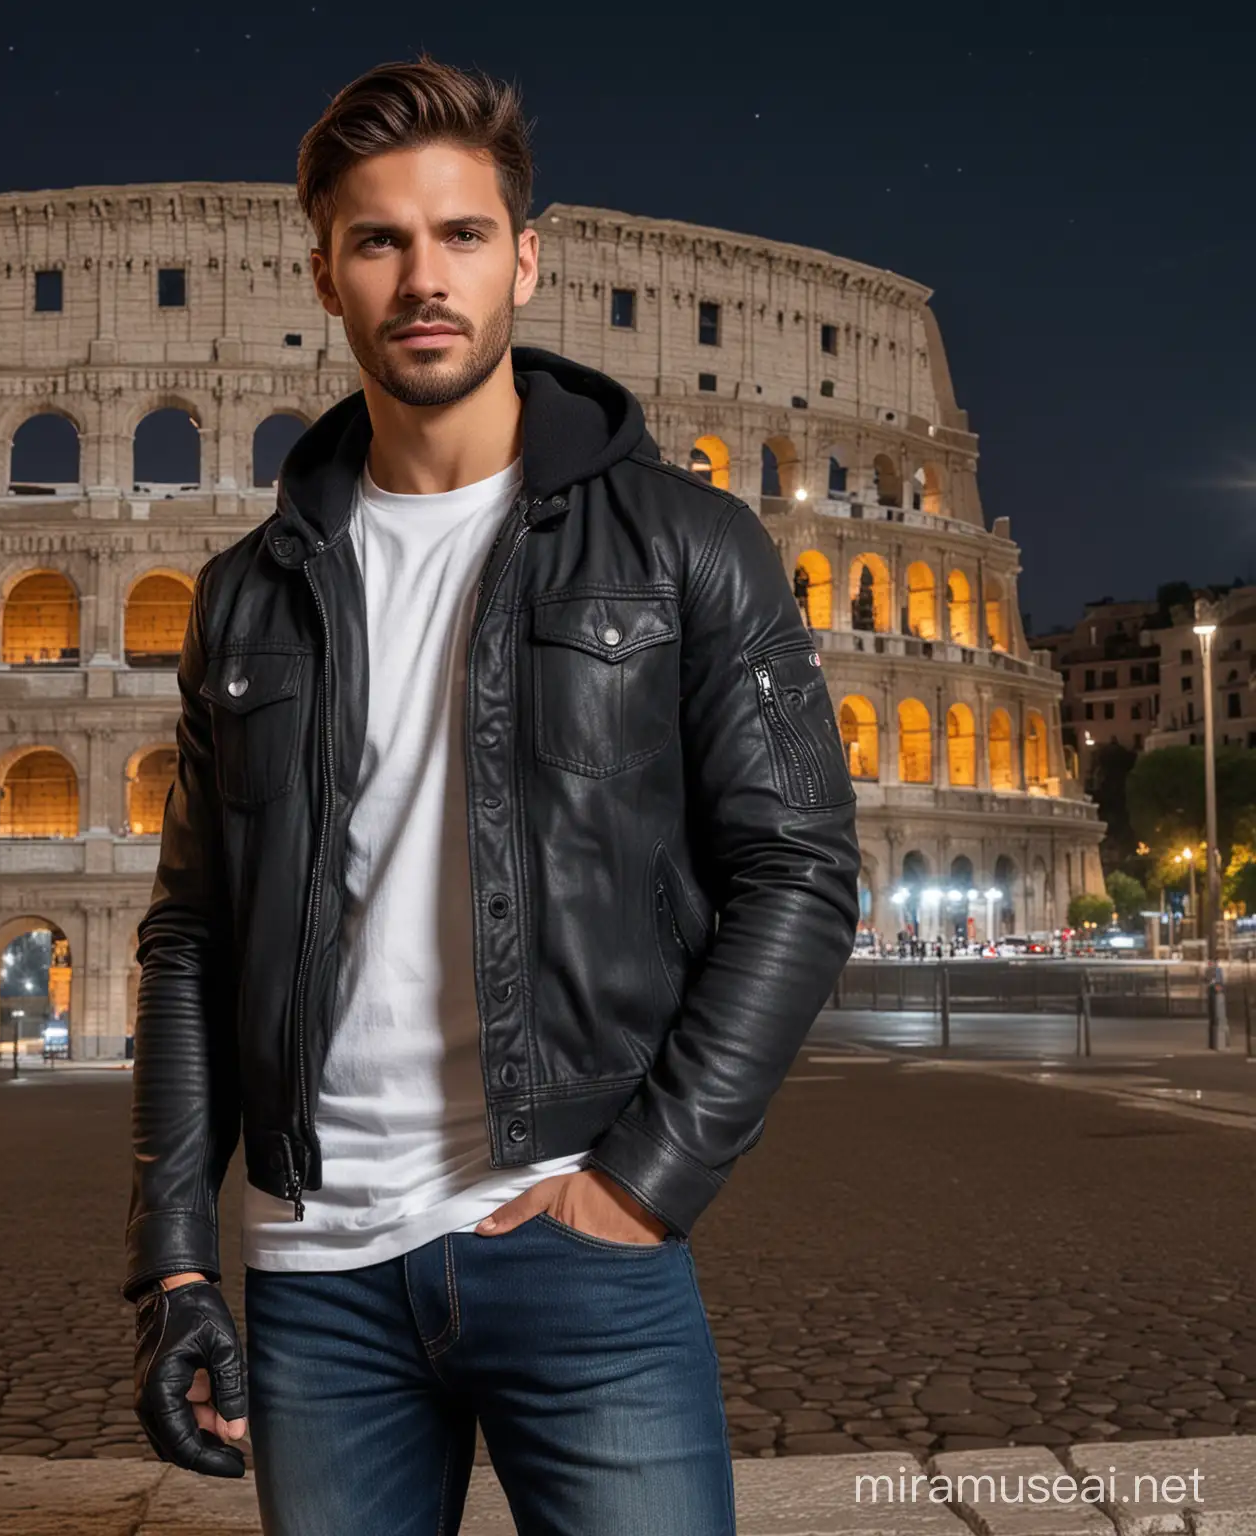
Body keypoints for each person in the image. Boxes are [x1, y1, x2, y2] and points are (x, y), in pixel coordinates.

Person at [122, 53, 860, 1536]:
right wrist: (177, 1260)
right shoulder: (240, 599)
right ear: (322, 275)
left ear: (527, 259)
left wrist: (640, 1187)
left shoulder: (690, 544)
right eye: (379, 240)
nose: (423, 277)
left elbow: (800, 874)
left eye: (462, 234)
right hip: (316, 1276)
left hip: (578, 1239)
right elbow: (193, 934)